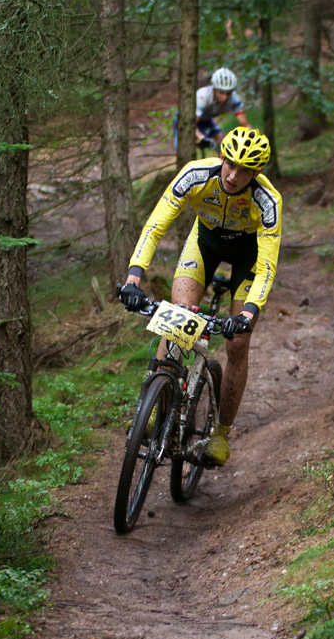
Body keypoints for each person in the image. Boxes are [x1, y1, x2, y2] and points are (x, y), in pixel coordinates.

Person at [120, 127, 282, 468]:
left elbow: (267, 267)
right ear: (221, 156)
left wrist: (248, 314)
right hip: (205, 243)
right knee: (179, 318)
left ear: (256, 173)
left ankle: (221, 433)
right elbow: (155, 225)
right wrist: (134, 277)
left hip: (248, 257)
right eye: (230, 164)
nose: (233, 176)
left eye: (244, 171)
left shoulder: (268, 201)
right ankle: (157, 405)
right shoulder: (196, 174)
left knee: (237, 343)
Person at [174, 68, 251, 152]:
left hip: (205, 121)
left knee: (225, 145)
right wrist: (201, 138)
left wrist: (254, 141)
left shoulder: (234, 100)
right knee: (184, 150)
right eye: (221, 92)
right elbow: (191, 124)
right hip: (187, 121)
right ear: (214, 90)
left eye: (228, 93)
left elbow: (245, 125)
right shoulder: (202, 97)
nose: (225, 97)